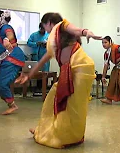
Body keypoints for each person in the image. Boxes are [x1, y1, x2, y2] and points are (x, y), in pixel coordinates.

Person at [15, 13, 101, 148]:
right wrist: (28, 75)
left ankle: (66, 136)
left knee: (72, 106)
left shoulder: (62, 26)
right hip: (72, 71)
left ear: (49, 22)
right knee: (53, 98)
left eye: (44, 25)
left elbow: (76, 30)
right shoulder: (54, 40)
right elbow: (42, 61)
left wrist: (87, 32)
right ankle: (44, 131)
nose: (45, 29)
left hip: (80, 69)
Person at [0, 10, 25, 115]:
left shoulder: (5, 27)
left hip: (12, 57)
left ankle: (12, 105)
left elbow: (9, 35)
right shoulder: (0, 29)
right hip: (5, 58)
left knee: (1, 83)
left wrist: (7, 40)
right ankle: (11, 103)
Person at [27, 23, 50, 95]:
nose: (43, 31)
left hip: (45, 56)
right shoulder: (34, 35)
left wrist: (46, 44)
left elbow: (52, 44)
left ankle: (44, 89)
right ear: (39, 28)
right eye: (42, 29)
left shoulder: (48, 35)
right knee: (37, 73)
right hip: (36, 56)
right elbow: (29, 43)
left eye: (44, 29)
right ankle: (37, 89)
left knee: (45, 73)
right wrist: (36, 43)